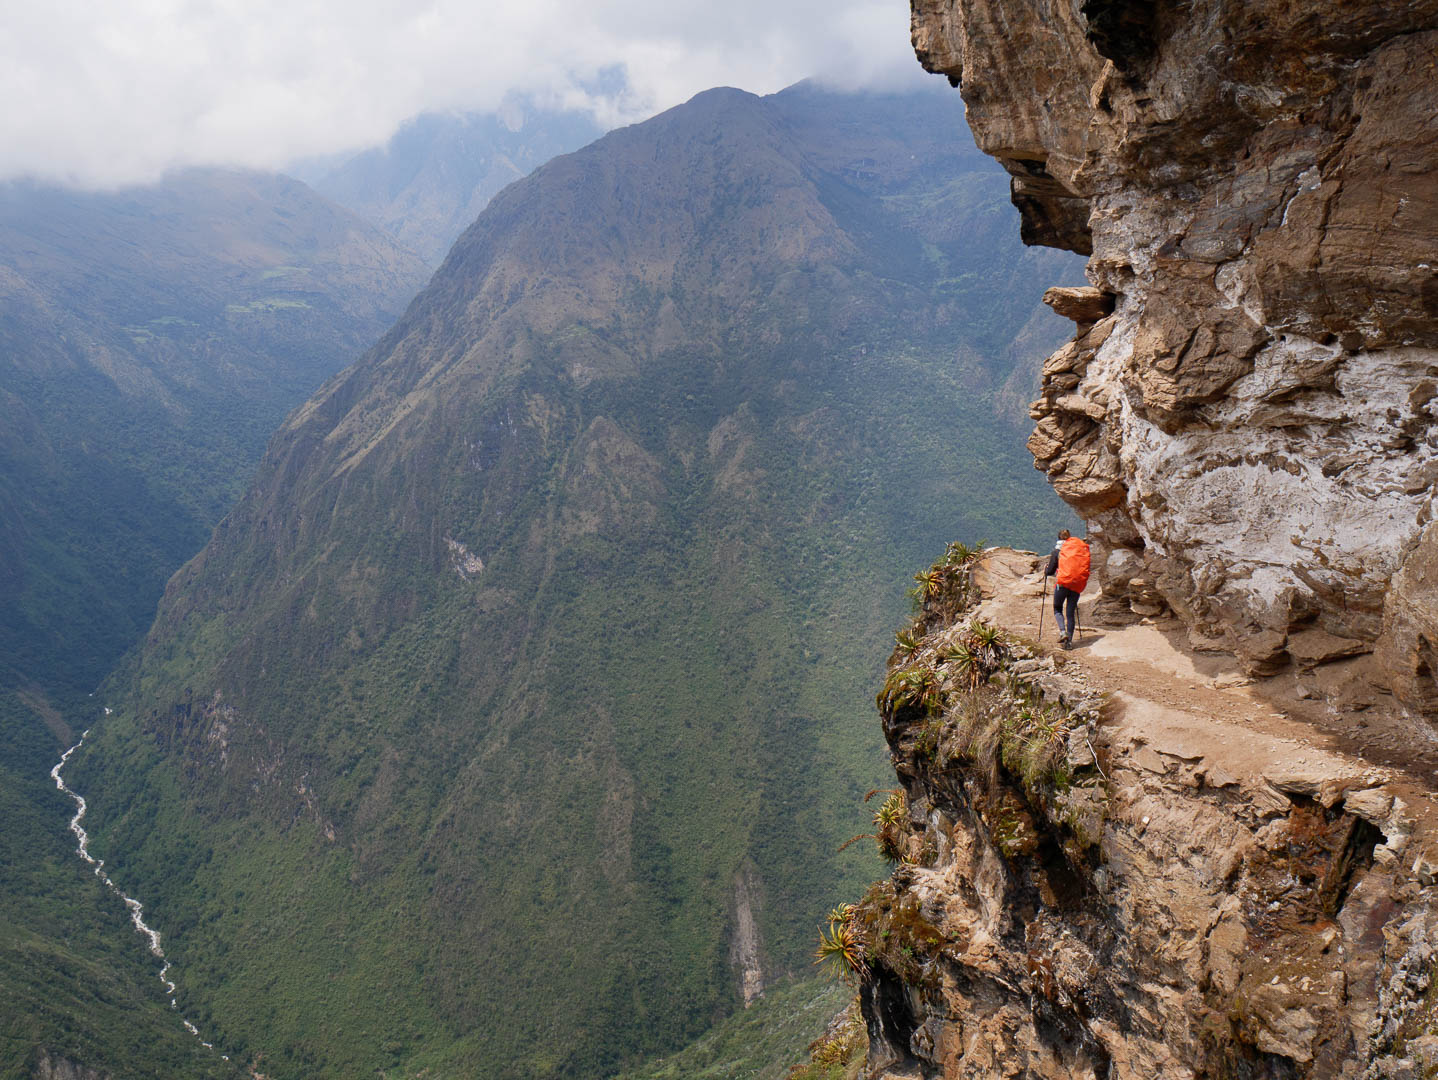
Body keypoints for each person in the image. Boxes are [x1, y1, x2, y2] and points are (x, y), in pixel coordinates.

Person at [1043, 529, 1091, 649]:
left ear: (1059, 538)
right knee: (1070, 613)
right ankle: (1069, 642)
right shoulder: (1077, 550)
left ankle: (1062, 632)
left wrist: (1046, 570)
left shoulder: (1057, 551)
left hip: (1063, 584)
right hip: (1076, 584)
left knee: (1057, 608)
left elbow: (1050, 572)